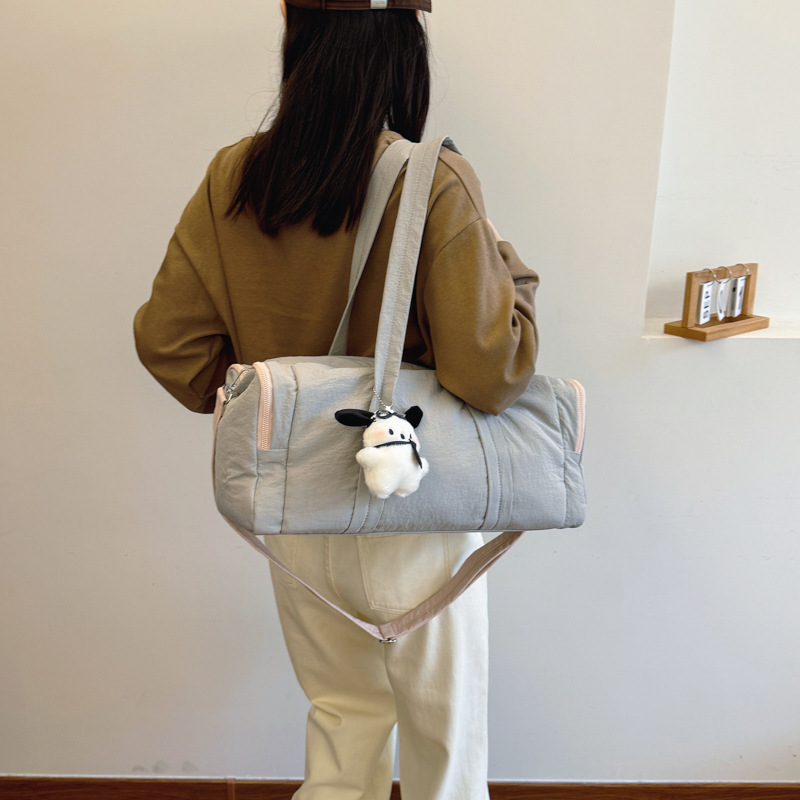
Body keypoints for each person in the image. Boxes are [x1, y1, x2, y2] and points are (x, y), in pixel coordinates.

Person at [134, 1, 539, 798]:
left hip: (298, 505)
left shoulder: (234, 177)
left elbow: (170, 346)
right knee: (445, 740)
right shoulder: (434, 179)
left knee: (343, 716)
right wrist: (512, 274)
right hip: (413, 507)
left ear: (300, 37)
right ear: (401, 49)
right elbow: (492, 371)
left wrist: (270, 392)